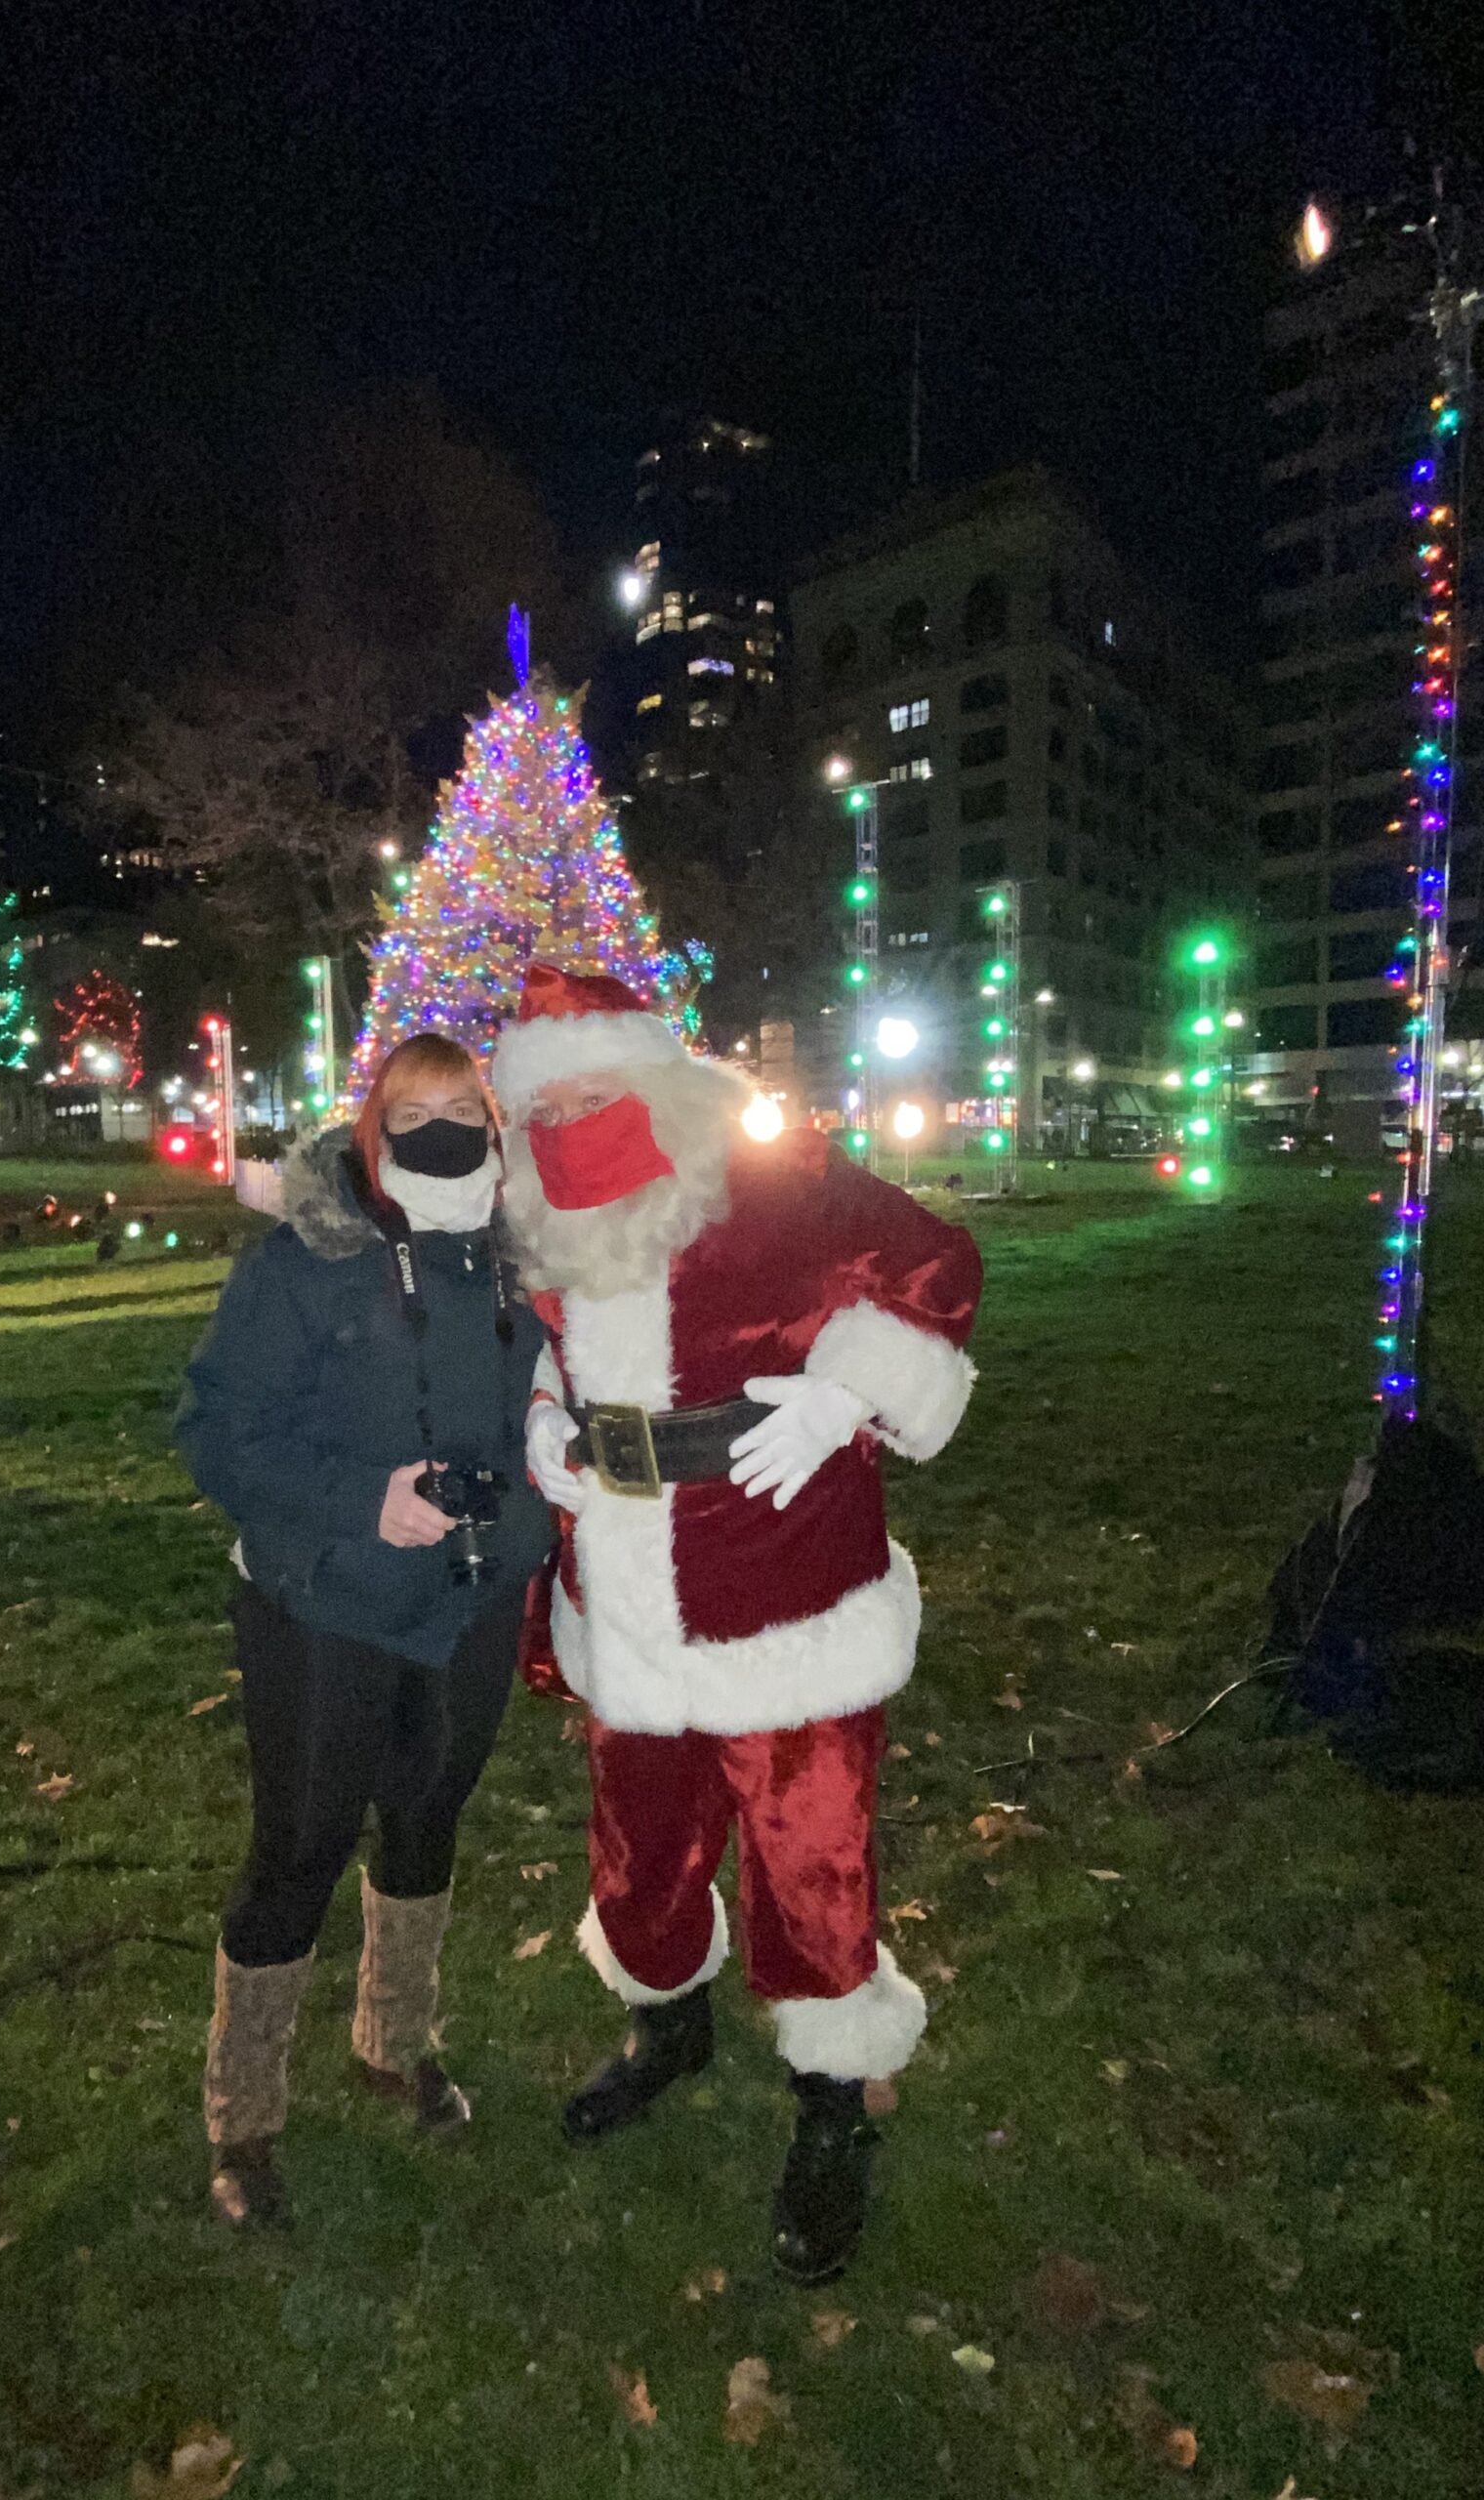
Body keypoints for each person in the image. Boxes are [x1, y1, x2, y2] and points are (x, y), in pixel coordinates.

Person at [494, 963, 982, 2286]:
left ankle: (835, 2106)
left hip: (783, 1589)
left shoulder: (775, 1174)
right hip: (624, 1597)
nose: (582, 1108)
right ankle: (670, 2029)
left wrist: (844, 1394)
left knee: (808, 1863)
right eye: (557, 1096)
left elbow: (939, 1265)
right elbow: (542, 1345)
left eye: (602, 1082)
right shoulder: (534, 1201)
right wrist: (544, 1422)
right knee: (642, 1851)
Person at [175, 1033, 553, 2228]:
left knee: (429, 1809)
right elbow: (219, 1432)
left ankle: (396, 2039)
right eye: (412, 1111)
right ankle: (245, 2117)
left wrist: (548, 1496)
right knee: (301, 1844)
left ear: (495, 1126)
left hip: (471, 1599)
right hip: (324, 1602)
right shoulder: (305, 1260)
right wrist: (362, 1500)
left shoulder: (522, 1261)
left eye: (464, 1109)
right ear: (371, 1129)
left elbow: (555, 1410)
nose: (441, 1130)